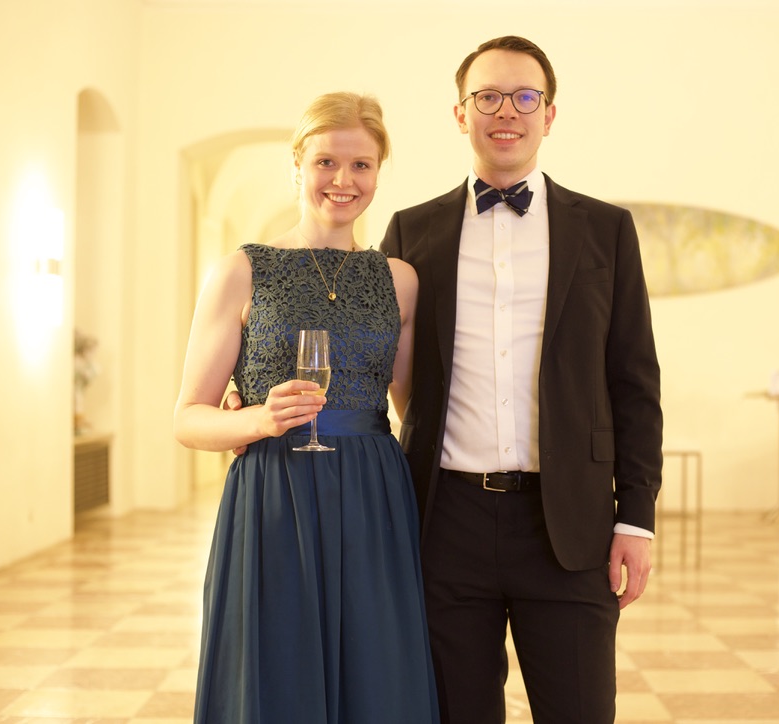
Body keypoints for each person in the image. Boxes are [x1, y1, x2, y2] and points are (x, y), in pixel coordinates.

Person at [378, 36, 663, 724]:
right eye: (487, 96)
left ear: (549, 114)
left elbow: (634, 381)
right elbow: (362, 351)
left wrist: (636, 518)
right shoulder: (410, 232)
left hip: (569, 524)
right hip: (444, 524)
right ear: (460, 113)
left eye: (525, 96)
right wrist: (255, 389)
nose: (507, 110)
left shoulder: (606, 230)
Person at [173, 92, 438, 724]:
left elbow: (413, 411)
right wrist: (256, 420)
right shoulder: (242, 271)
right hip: (275, 491)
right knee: (279, 669)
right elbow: (187, 417)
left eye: (361, 165)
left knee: (377, 673)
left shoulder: (400, 279)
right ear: (296, 165)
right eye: (326, 162)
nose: (344, 180)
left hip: (374, 497)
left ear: (378, 172)